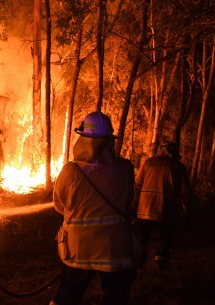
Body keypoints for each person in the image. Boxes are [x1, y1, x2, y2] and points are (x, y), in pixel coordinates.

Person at [50, 112, 138, 305]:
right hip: (115, 249)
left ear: (83, 140)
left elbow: (59, 205)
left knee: (67, 294)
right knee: (116, 298)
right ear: (109, 142)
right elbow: (129, 202)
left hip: (80, 249)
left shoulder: (71, 171)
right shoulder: (125, 169)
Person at [133, 141, 192, 269]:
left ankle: (138, 262)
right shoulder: (178, 167)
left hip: (145, 209)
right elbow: (186, 190)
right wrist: (187, 209)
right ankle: (161, 264)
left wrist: (134, 204)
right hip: (167, 211)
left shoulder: (148, 163)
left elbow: (138, 185)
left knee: (142, 237)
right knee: (165, 238)